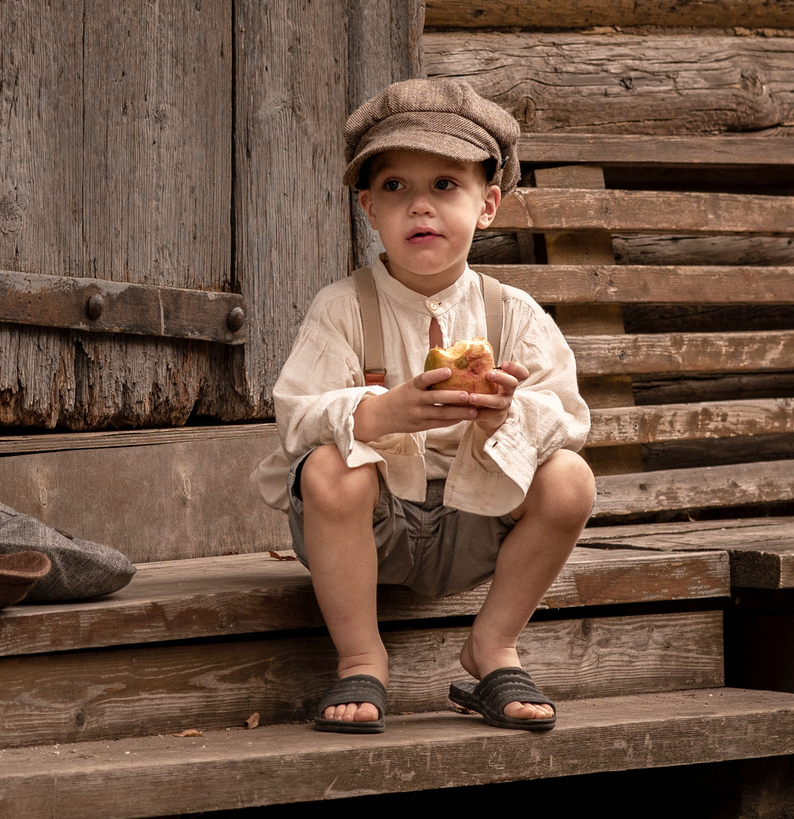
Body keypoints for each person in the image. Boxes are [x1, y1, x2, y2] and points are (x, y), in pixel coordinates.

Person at [254, 77, 595, 734]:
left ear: (487, 204)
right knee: (328, 466)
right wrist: (377, 414)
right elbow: (296, 413)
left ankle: (493, 645)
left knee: (570, 478)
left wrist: (507, 419)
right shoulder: (343, 307)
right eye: (394, 186)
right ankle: (362, 657)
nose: (419, 206)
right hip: (372, 529)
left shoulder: (512, 314)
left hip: (477, 524)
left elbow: (566, 415)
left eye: (444, 184)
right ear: (367, 207)